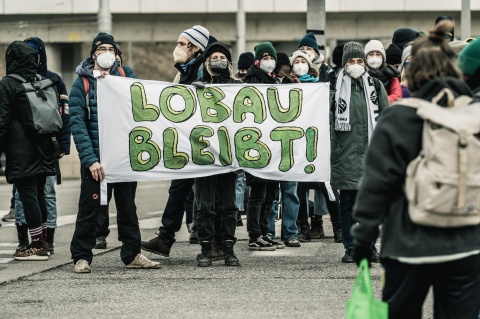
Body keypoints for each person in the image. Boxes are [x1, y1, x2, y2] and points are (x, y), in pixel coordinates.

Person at [352, 21, 480, 319]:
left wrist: (363, 238)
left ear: (412, 73)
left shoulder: (397, 119)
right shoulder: (471, 115)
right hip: (466, 244)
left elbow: (376, 185)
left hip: (407, 245)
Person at [70, 32, 160, 272]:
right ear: (93, 54)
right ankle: (81, 257)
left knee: (128, 207)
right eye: (101, 49)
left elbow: (139, 111)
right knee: (89, 209)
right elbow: (77, 125)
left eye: (111, 49)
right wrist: (91, 160)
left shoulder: (126, 77)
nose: (106, 53)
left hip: (123, 159)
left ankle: (132, 254)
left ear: (117, 54)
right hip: (97, 160)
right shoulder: (82, 83)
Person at [141, 25, 211, 257]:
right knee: (179, 190)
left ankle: (211, 241)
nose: (177, 48)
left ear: (196, 47)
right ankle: (166, 238)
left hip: (204, 143)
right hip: (184, 142)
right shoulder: (183, 72)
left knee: (205, 194)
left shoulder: (205, 70)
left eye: (182, 44)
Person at [330, 41, 389, 263]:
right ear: (344, 64)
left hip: (371, 155)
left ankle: (369, 246)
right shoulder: (334, 88)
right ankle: (350, 246)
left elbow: (385, 116)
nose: (356, 65)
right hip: (344, 154)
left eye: (359, 61)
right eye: (351, 61)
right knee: (347, 205)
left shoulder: (374, 85)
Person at [12, 36, 71, 255]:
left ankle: (48, 239)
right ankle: (23, 239)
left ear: (40, 55)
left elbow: (64, 114)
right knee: (21, 195)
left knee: (47, 193)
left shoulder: (53, 80)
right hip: (23, 149)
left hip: (48, 146)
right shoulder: (14, 80)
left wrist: (64, 144)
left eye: (33, 53)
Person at [0, 41, 55, 260]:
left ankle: (37, 246)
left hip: (21, 149)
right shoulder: (42, 81)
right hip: (44, 147)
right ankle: (42, 243)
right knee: (39, 194)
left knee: (28, 196)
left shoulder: (8, 84)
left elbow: (2, 121)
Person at [243, 42, 297, 249]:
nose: (269, 61)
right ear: (257, 60)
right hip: (257, 145)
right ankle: (254, 234)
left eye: (271, 57)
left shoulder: (276, 82)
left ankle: (265, 232)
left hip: (273, 146)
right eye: (264, 57)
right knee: (258, 193)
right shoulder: (252, 81)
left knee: (270, 194)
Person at [192, 42, 241, 267]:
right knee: (205, 206)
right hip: (203, 157)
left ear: (228, 62)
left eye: (222, 57)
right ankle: (206, 248)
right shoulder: (196, 86)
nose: (218, 60)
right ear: (206, 62)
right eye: (213, 57)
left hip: (228, 156)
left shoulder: (237, 88)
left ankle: (229, 248)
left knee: (228, 205)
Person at [288, 50, 342, 243]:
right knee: (299, 189)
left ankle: (338, 227)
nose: (300, 63)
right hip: (298, 145)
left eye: (303, 60)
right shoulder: (287, 86)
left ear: (310, 65)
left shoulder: (321, 86)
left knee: (328, 187)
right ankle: (304, 227)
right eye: (297, 61)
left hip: (319, 144)